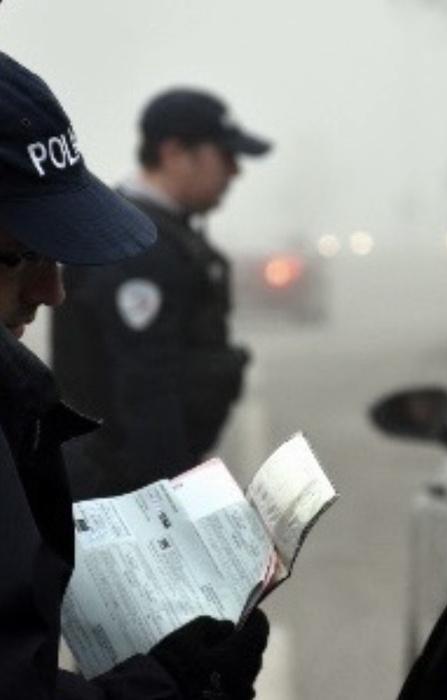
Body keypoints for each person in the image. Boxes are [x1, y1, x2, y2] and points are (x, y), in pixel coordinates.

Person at [0, 52, 268, 699]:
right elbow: (146, 395)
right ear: (176, 153)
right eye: (26, 254)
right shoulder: (150, 257)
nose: (53, 291)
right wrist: (166, 684)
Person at [52, 87, 271, 499]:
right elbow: (145, 393)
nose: (234, 172)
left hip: (128, 480)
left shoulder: (155, 232)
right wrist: (174, 502)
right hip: (120, 490)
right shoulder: (134, 248)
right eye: (224, 156)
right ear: (174, 153)